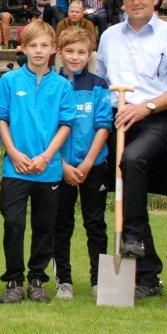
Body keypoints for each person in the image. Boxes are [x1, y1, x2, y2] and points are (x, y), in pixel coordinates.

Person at [95, 0, 167, 300]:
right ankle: (148, 276)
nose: (136, 2)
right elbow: (102, 81)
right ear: (122, 1)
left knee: (133, 160)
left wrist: (145, 107)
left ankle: (133, 235)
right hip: (118, 117)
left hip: (156, 116)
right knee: (126, 190)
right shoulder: (109, 36)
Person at [0, 19, 75, 305]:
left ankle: (37, 279)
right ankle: (14, 280)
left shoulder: (63, 86)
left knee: (44, 226)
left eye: (44, 45)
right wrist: (14, 153)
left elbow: (65, 125)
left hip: (48, 169)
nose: (38, 51)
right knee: (14, 223)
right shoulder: (9, 81)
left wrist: (46, 157)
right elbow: (2, 120)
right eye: (32, 45)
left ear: (53, 49)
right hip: (15, 168)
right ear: (23, 48)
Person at [53, 28, 112, 300]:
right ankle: (63, 280)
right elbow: (46, 130)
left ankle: (100, 279)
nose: (75, 57)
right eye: (69, 51)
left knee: (95, 224)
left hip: (93, 165)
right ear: (59, 52)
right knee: (61, 224)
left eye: (81, 52)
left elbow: (103, 125)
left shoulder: (98, 85)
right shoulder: (52, 84)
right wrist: (62, 164)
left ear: (90, 55)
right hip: (60, 167)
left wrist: (88, 163)